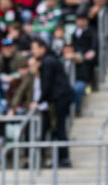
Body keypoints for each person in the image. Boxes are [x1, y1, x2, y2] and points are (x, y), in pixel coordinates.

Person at [30, 39, 73, 168]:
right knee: (57, 130)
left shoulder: (48, 61)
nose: (33, 51)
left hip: (60, 98)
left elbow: (47, 84)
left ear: (42, 48)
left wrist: (38, 101)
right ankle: (60, 158)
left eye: (34, 48)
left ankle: (63, 159)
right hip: (60, 98)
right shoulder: (50, 59)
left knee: (59, 129)